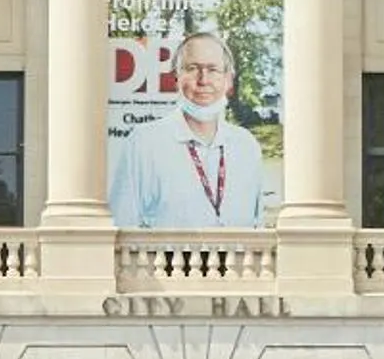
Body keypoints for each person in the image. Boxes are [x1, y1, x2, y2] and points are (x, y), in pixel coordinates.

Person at [108, 30, 266, 230]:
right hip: (166, 261)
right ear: (175, 77)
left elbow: (258, 229)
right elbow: (121, 226)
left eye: (213, 69)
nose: (203, 80)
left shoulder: (247, 146)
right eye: (193, 68)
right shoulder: (143, 143)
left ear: (228, 80)